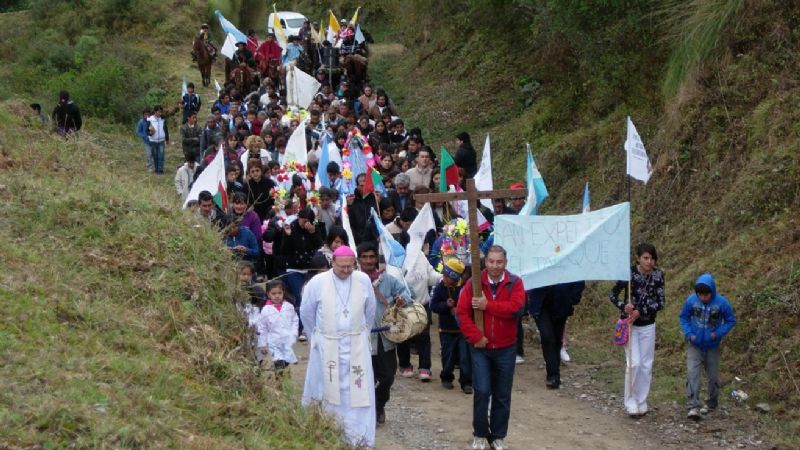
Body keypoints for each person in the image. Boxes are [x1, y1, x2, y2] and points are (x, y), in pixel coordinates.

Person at [300, 245, 377, 447]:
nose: (345, 271)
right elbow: (306, 313)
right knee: (326, 390)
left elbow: (370, 311)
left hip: (356, 346)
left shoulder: (363, 280)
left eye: (350, 267)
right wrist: (316, 339)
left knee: (358, 394)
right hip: (327, 345)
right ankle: (325, 433)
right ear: (332, 262)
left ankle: (358, 437)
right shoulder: (317, 282)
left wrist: (360, 335)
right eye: (341, 267)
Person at [456, 245, 525, 450]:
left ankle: (497, 436)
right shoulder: (474, 284)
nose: (495, 266)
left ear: (505, 263)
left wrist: (488, 306)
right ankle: (479, 434)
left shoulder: (515, 283)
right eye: (491, 261)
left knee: (502, 394)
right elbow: (462, 313)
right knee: (483, 391)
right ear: (485, 262)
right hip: (481, 347)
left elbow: (516, 309)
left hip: (506, 348)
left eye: (499, 262)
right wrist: (475, 336)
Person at [357, 242, 413, 425]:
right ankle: (369, 411)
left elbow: (407, 293)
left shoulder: (387, 280)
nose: (368, 260)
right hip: (362, 339)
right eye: (364, 257)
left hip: (386, 338)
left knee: (388, 376)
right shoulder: (353, 281)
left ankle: (379, 404)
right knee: (365, 377)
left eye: (371, 256)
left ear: (376, 258)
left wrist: (400, 299)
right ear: (358, 259)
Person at [609, 242, 665, 417]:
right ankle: (630, 400)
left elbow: (661, 302)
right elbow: (613, 294)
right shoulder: (628, 274)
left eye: (652, 258)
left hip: (648, 325)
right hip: (630, 325)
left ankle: (642, 400)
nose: (649, 262)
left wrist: (642, 311)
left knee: (646, 365)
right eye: (645, 258)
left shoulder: (658, 276)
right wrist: (623, 306)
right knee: (634, 363)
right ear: (638, 259)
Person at [679, 273, 736, 420]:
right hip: (694, 344)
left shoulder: (722, 303)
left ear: (712, 291)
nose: (703, 298)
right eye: (700, 295)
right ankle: (693, 406)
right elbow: (683, 317)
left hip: (712, 345)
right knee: (693, 374)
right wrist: (689, 334)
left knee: (713, 377)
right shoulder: (691, 301)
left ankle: (712, 403)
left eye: (706, 295)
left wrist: (717, 333)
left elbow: (730, 320)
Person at [527, 281, 585, 389]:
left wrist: (572, 298)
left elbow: (578, 279)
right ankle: (553, 375)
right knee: (547, 337)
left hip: (562, 303)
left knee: (557, 339)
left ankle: (555, 369)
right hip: (540, 303)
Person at [430, 259, 472, 393]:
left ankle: (466, 382)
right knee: (447, 356)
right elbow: (434, 306)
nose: (445, 279)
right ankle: (447, 377)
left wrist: (458, 309)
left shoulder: (463, 289)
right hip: (446, 329)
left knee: (465, 357)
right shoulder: (440, 288)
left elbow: (469, 306)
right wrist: (445, 306)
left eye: (448, 276)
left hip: (462, 330)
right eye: (444, 275)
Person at [255, 280, 299, 370]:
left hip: (287, 340)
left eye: (279, 293)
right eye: (273, 293)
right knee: (278, 363)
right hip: (273, 341)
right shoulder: (265, 310)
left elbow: (295, 320)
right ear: (268, 294)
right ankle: (279, 382)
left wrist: (293, 333)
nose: (277, 296)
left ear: (283, 293)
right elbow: (262, 328)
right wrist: (262, 344)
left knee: (286, 363)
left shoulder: (289, 307)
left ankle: (285, 381)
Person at [146, 105, 169, 174]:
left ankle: (160, 171)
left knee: (161, 156)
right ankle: (156, 169)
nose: (160, 113)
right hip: (153, 141)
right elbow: (146, 130)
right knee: (155, 156)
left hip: (161, 141)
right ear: (155, 112)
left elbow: (165, 129)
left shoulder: (163, 119)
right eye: (158, 112)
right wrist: (150, 133)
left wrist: (167, 138)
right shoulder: (150, 119)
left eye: (161, 112)